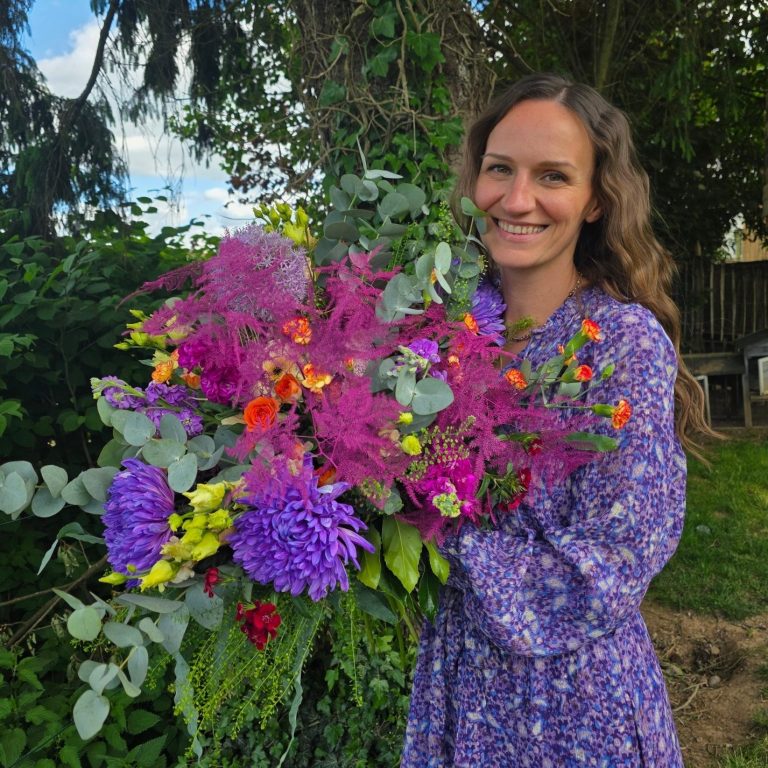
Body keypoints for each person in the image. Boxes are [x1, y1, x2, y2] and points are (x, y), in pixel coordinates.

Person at [401, 73, 712, 767]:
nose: (517, 200)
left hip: (573, 705)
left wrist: (432, 533)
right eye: (499, 169)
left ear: (596, 198)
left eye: (553, 176)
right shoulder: (438, 330)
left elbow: (612, 563)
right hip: (457, 685)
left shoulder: (620, 345)